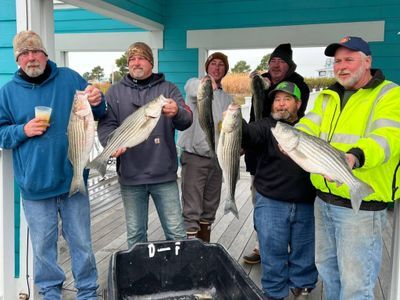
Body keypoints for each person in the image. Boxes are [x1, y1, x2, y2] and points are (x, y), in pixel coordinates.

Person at [0, 31, 106, 299]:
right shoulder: (8, 93)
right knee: (43, 246)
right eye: (24, 53)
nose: (31, 57)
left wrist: (98, 99)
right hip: (35, 185)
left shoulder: (69, 78)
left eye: (35, 51)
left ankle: (87, 291)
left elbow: (100, 110)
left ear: (46, 55)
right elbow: (1, 132)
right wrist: (23, 130)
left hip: (73, 179)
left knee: (81, 241)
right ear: (18, 60)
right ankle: (50, 292)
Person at [296, 36, 400, 299]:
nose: (341, 66)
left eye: (349, 60)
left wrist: (356, 156)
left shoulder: (390, 94)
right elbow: (308, 127)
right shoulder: (327, 97)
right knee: (329, 276)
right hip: (324, 201)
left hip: (362, 208)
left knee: (355, 286)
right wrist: (292, 137)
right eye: (337, 61)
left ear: (367, 62)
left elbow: (388, 137)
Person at [97, 42, 192, 249]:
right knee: (136, 235)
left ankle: (182, 277)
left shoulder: (167, 89)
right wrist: (110, 145)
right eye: (131, 59)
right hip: (131, 176)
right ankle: (137, 278)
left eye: (141, 58)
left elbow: (186, 120)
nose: (136, 62)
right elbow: (106, 126)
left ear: (151, 62)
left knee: (176, 231)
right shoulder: (114, 92)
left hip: (163, 175)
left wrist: (177, 112)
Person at [242, 81, 317, 299]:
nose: (281, 104)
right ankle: (274, 291)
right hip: (271, 202)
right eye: (277, 99)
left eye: (287, 99)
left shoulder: (310, 126)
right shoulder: (266, 126)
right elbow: (249, 134)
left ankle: (302, 285)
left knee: (304, 249)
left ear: (298, 103)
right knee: (271, 250)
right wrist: (237, 122)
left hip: (305, 201)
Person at [243, 43, 310, 264]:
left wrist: (274, 90)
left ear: (289, 66)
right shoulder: (260, 80)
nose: (275, 65)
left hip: (285, 149)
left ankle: (288, 251)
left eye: (280, 61)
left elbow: (289, 116)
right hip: (258, 145)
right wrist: (245, 136)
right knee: (260, 203)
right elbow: (255, 115)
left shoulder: (299, 85)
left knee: (293, 215)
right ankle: (261, 246)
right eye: (272, 61)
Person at [177, 52, 232, 242]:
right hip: (195, 157)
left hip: (216, 159)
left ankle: (204, 247)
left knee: (210, 207)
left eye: (221, 65)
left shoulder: (227, 99)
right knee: (192, 207)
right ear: (207, 67)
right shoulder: (195, 85)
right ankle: (191, 249)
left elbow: (232, 128)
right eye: (213, 64)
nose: (217, 68)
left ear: (225, 70)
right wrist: (205, 85)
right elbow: (191, 88)